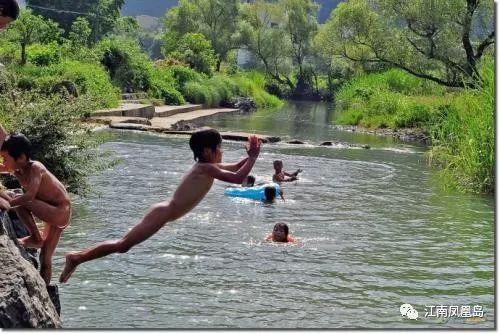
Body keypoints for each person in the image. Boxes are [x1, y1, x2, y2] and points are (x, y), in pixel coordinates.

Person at [59, 128, 262, 283]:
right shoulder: (205, 168)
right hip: (163, 213)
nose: (222, 152)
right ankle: (76, 258)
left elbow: (236, 167)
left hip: (164, 213)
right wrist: (253, 157)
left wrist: (252, 154)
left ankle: (77, 258)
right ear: (208, 151)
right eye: (220, 148)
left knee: (124, 246)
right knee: (123, 245)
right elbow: (237, 178)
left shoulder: (208, 166)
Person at [0, 132, 71, 286]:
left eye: (5, 158)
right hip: (51, 210)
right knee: (45, 257)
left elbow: (30, 196)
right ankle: (47, 290)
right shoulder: (18, 169)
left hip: (59, 211)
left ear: (21, 158)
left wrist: (8, 204)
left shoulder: (35, 168)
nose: (3, 162)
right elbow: (3, 168)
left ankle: (35, 238)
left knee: (20, 199)